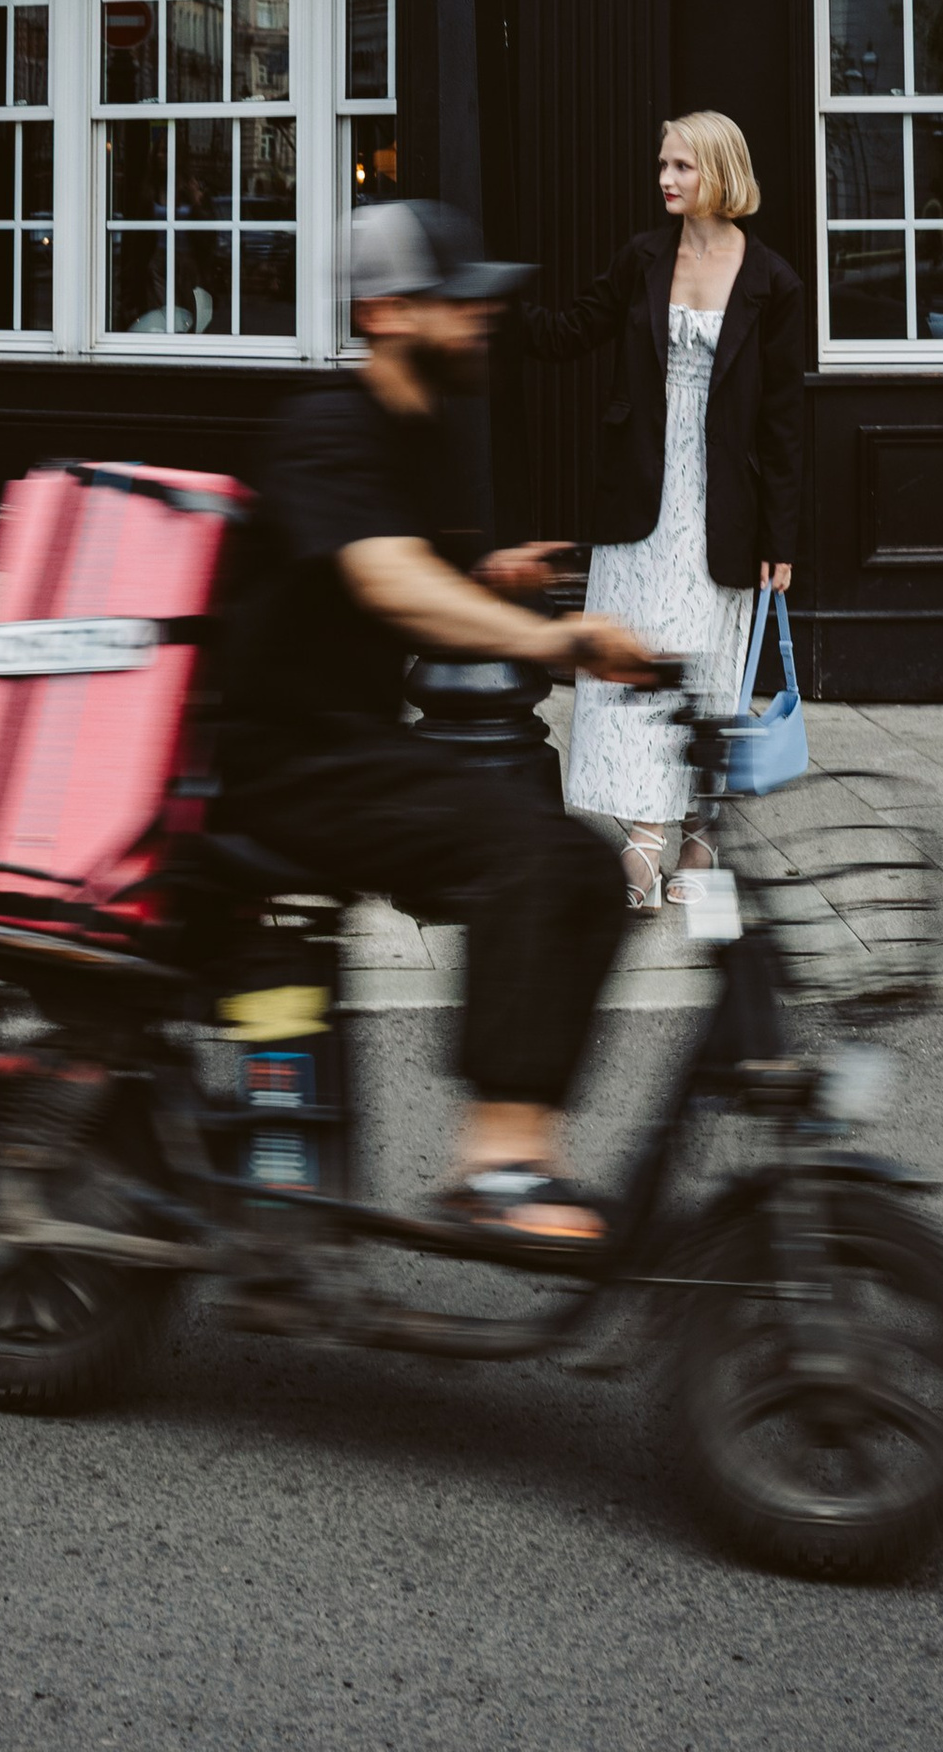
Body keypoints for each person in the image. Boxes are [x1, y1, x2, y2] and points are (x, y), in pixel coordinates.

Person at [215, 197, 662, 1246]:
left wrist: (493, 576)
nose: (478, 322)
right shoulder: (326, 427)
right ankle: (493, 1167)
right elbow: (388, 582)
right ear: (383, 312)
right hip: (286, 762)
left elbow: (419, 573)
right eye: (453, 304)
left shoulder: (415, 438)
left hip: (356, 751)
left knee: (583, 871)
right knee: (522, 851)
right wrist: (555, 642)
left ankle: (522, 1143)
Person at [518, 112, 805, 914]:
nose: (665, 179)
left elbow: (785, 419)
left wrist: (782, 535)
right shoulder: (644, 257)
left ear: (718, 171)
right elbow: (572, 330)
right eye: (662, 165)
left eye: (680, 165)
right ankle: (647, 833)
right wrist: (497, 308)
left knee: (705, 667)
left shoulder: (772, 281)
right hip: (641, 493)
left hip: (726, 505)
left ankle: (697, 834)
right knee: (632, 662)